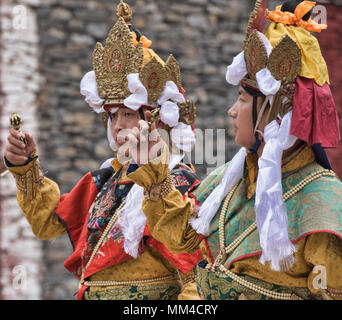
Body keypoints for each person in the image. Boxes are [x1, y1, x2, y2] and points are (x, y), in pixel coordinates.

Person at [129, 0, 342, 300]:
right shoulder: (226, 182)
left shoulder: (324, 203)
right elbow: (182, 237)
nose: (231, 111)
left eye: (242, 99)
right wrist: (153, 169)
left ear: (275, 111)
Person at [3, 1, 205, 300]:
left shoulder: (176, 185)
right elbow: (48, 222)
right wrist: (25, 168)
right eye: (113, 115)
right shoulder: (107, 180)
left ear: (157, 119)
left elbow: (197, 280)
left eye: (129, 114)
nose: (119, 125)